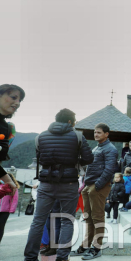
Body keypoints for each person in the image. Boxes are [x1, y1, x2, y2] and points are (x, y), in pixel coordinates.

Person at [24, 108, 94, 261]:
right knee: (66, 221)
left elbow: (40, 158)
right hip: (68, 183)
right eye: (74, 121)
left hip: (46, 184)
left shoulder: (40, 136)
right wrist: (74, 164)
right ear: (70, 122)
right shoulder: (78, 136)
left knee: (38, 221)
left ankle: (29, 257)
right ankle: (62, 258)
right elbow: (89, 158)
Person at [72, 123, 118, 260]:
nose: (96, 134)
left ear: (106, 134)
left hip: (98, 186)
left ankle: (97, 248)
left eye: (98, 132)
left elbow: (109, 170)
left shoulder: (111, 149)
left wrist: (98, 185)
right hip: (89, 186)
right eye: (95, 132)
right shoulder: (97, 147)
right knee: (88, 217)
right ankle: (85, 246)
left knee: (97, 218)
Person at [0, 84, 25, 196]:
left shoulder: (7, 127)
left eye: (20, 100)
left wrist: (7, 180)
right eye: (13, 97)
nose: (18, 103)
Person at [0, 172, 19, 243]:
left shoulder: (13, 187)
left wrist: (12, 209)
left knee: (1, 227)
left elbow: (15, 199)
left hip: (5, 210)